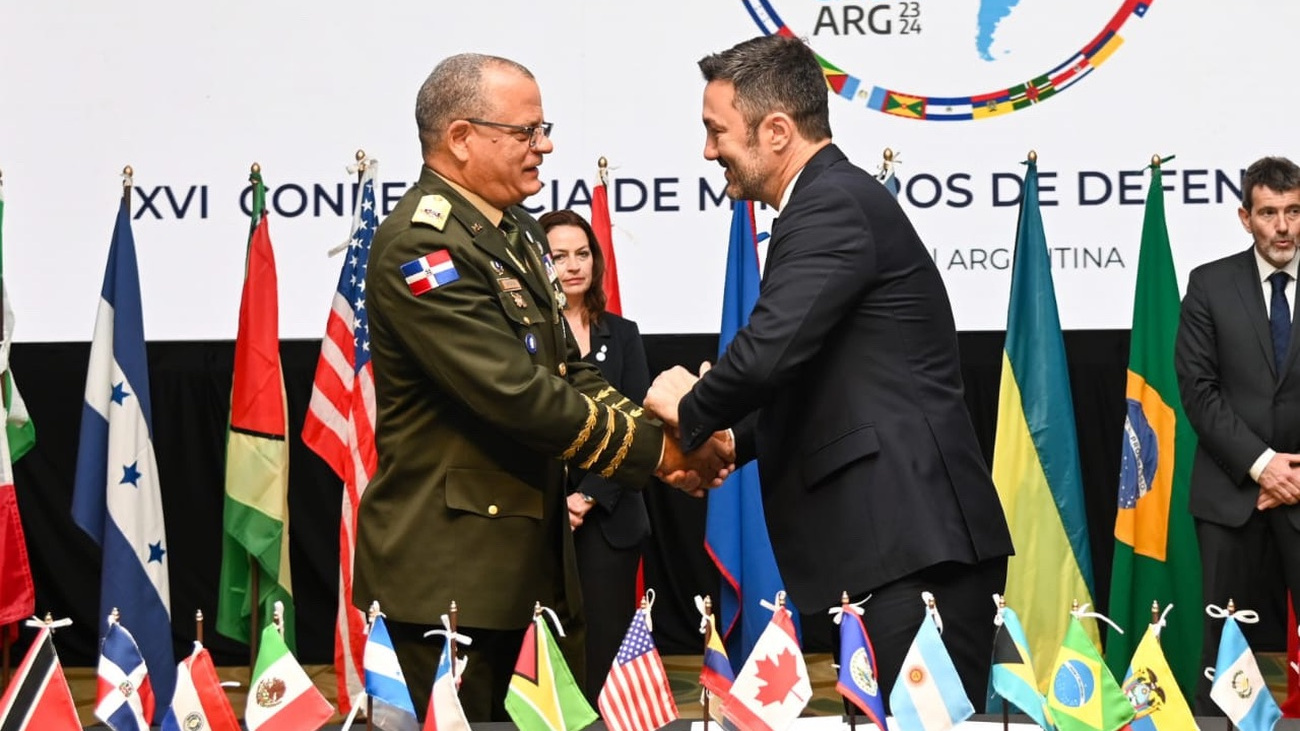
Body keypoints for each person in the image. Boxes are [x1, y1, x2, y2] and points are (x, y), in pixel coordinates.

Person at [353, 53, 732, 721]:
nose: (545, 145)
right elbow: (517, 394)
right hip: (453, 577)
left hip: (528, 570)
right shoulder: (420, 245)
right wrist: (669, 454)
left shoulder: (517, 233)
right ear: (463, 138)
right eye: (526, 132)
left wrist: (680, 434)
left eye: (543, 128)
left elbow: (569, 370)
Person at [643, 34, 1014, 708]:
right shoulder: (824, 205)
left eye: (715, 130)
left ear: (776, 130)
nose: (706, 150)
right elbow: (811, 377)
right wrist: (730, 442)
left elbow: (769, 353)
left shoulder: (831, 204)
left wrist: (689, 406)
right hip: (889, 552)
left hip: (913, 551)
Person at [1175, 155, 1300, 712]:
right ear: (1245, 217)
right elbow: (1199, 392)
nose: (1283, 226)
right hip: (1231, 495)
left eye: (1294, 212)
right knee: (1224, 657)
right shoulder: (1209, 284)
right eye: (1270, 212)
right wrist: (1264, 466)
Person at [539, 208, 654, 705]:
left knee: (605, 654)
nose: (573, 265)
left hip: (609, 519)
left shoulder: (622, 334)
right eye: (559, 255)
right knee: (550, 657)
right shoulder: (522, 336)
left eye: (582, 253)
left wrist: (587, 496)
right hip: (542, 520)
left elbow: (639, 423)